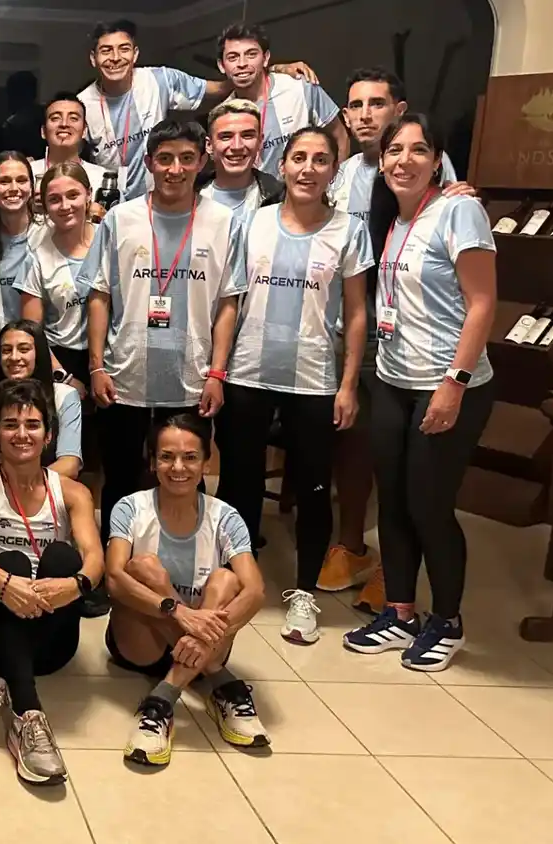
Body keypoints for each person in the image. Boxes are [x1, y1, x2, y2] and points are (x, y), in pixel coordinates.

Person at [341, 114, 495, 672]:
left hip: (447, 384)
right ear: (381, 162)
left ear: (437, 160)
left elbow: (482, 303)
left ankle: (447, 621)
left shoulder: (459, 211)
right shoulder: (392, 216)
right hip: (393, 380)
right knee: (394, 502)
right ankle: (400, 611)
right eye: (394, 151)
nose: (404, 160)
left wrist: (453, 384)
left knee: (430, 505)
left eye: (418, 150)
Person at [215, 127, 371, 646]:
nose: (308, 168)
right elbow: (231, 300)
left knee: (313, 487)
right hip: (247, 373)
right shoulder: (252, 222)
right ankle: (235, 578)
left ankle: (304, 592)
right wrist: (218, 370)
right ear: (281, 166)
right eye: (298, 158)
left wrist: (347, 385)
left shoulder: (348, 230)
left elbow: (356, 313)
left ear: (333, 170)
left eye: (320, 160)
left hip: (313, 380)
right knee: (238, 483)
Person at [322, 67, 464, 605]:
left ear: (398, 109)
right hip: (354, 324)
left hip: (413, 336)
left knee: (404, 462)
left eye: (376, 104)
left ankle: (393, 566)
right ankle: (351, 545)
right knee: (356, 441)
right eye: (355, 105)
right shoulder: (343, 173)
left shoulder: (427, 172)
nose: (365, 115)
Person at [83, 119, 246, 540]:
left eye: (187, 158)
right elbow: (99, 295)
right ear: (149, 162)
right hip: (125, 374)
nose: (176, 169)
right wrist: (97, 366)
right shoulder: (120, 219)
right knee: (120, 477)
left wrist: (217, 373)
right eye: (166, 158)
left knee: (187, 476)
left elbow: (228, 303)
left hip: (192, 376)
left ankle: (187, 554)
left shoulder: (224, 222)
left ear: (203, 161)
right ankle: (116, 561)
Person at [0, 379, 104, 784]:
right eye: (10, 424)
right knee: (13, 561)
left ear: (49, 435)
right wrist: (7, 584)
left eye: (32, 424)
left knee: (63, 558)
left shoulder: (73, 492)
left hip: (51, 642)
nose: (22, 434)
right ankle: (28, 716)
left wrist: (75, 585)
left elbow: (95, 559)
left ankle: (0, 685)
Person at [105, 413, 268, 767]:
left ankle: (162, 700)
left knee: (228, 580)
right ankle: (221, 682)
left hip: (205, 643)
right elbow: (114, 578)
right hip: (142, 642)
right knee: (141, 568)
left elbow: (255, 590)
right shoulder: (130, 508)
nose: (178, 467)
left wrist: (200, 636)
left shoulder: (225, 516)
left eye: (190, 457)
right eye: (167, 457)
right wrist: (179, 612)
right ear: (153, 462)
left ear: (206, 463)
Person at [78, 19, 315, 200]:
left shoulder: (160, 80)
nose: (116, 57)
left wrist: (269, 70)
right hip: (108, 203)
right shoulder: (81, 105)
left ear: (135, 54)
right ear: (93, 58)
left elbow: (220, 88)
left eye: (124, 49)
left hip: (160, 199)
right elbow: (70, 159)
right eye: (106, 50)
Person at [215, 23, 348, 177]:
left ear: (265, 58)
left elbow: (340, 136)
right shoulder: (223, 116)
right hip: (259, 192)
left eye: (251, 54)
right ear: (221, 65)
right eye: (233, 57)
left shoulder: (299, 87)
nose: (242, 64)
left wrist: (336, 185)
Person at [0, 321, 82, 479]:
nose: (14, 357)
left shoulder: (65, 396)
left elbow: (69, 465)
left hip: (52, 487)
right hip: (0, 490)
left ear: (39, 353)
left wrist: (28, 487)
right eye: (6, 350)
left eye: (24, 349)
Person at [17, 161, 96, 389]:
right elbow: (32, 331)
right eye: (54, 199)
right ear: (44, 205)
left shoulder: (109, 241)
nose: (65, 206)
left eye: (73, 195)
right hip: (62, 361)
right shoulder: (36, 257)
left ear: (89, 194)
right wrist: (62, 376)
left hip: (110, 359)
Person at [0, 152, 40, 361]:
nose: (13, 188)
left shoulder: (47, 233)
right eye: (4, 181)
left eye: (21, 180)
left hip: (43, 346)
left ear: (32, 187)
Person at [195, 99, 283, 214]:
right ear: (209, 145)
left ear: (260, 142)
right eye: (226, 137)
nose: (237, 146)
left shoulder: (281, 198)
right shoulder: (187, 195)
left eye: (247, 136)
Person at [30, 92, 108, 203]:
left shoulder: (101, 178)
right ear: (43, 131)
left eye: (73, 118)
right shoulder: (27, 174)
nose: (64, 124)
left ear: (84, 131)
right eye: (55, 118)